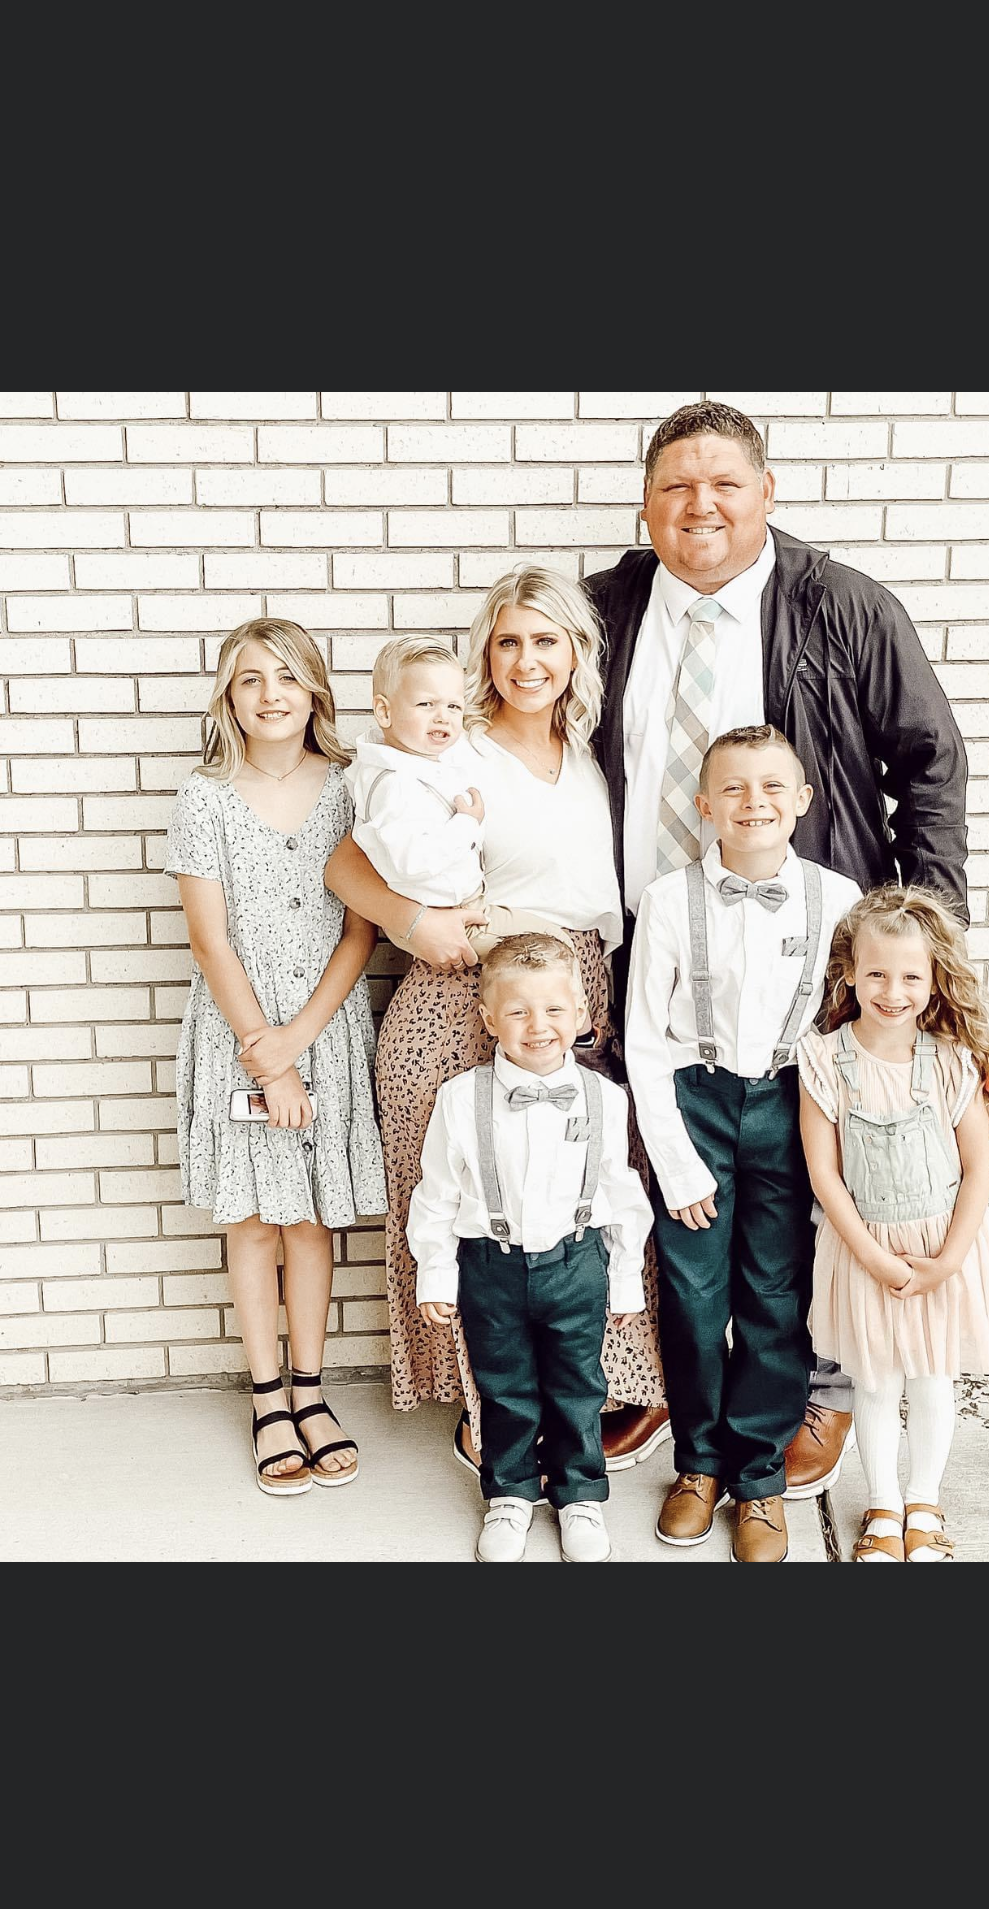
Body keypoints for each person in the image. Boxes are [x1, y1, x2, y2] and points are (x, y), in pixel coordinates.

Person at [588, 396, 989, 1494]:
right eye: (677, 485)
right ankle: (659, 1382)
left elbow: (931, 770)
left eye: (726, 482)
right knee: (655, 1180)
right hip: (648, 950)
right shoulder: (602, 612)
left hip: (807, 962)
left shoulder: (843, 606)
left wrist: (927, 965)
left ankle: (818, 1390)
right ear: (645, 504)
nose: (702, 505)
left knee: (814, 1190)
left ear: (767, 494)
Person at [323, 564, 664, 1461]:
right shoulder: (453, 747)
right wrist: (413, 924)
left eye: (546, 640)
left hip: (568, 994)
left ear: (577, 652)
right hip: (456, 1000)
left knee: (580, 1196)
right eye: (507, 641)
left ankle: (603, 1390)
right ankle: (492, 1409)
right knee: (469, 1207)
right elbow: (346, 863)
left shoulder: (596, 754)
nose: (526, 660)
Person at [625, 727, 861, 1562]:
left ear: (801, 801)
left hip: (792, 1109)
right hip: (695, 1104)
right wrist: (675, 1160)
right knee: (693, 1298)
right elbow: (645, 1039)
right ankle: (698, 1464)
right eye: (732, 788)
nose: (753, 802)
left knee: (774, 1294)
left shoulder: (837, 898)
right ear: (704, 805)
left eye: (771, 787)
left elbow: (856, 1019)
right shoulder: (667, 899)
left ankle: (758, 1478)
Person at [167, 618, 387, 1497]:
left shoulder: (350, 788)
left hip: (324, 1032)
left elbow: (362, 931)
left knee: (311, 1221)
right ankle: (266, 1400)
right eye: (252, 678)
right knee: (256, 1220)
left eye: (288, 677)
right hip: (239, 1033)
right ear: (229, 695)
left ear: (315, 691)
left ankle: (311, 1390)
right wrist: (269, 1056)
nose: (271, 695)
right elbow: (209, 941)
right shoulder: (205, 796)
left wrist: (299, 1042)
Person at [408, 934, 654, 1563]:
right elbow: (435, 1194)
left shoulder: (605, 1098)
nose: (537, 1026)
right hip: (490, 1266)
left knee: (579, 1385)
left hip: (577, 1262)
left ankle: (580, 1497)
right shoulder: (461, 1098)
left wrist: (626, 1278)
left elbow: (621, 1194)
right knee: (504, 1385)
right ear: (489, 1018)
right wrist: (436, 1274)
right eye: (517, 1012)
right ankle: (510, 1494)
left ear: (581, 1013)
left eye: (553, 1010)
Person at [797, 884, 989, 1564]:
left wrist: (947, 1261)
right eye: (876, 974)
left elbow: (977, 1170)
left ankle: (924, 1502)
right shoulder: (824, 1059)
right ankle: (883, 1505)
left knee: (930, 1379)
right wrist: (873, 1257)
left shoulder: (951, 1059)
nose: (892, 992)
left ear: (933, 978)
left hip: (940, 1248)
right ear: (849, 973)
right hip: (863, 1249)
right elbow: (825, 1175)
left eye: (910, 977)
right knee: (873, 1381)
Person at [346, 632, 574, 957]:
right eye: (426, 704)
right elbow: (413, 861)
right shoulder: (394, 786)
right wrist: (466, 824)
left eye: (454, 706)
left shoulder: (422, 761)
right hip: (450, 917)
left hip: (454, 905)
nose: (443, 716)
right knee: (556, 946)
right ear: (384, 712)